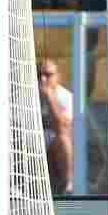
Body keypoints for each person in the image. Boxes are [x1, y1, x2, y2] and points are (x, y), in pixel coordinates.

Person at [38, 57, 73, 196]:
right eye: (39, 74)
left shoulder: (65, 96)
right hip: (34, 138)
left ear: (57, 77)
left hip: (56, 139)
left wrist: (50, 97)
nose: (43, 79)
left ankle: (68, 184)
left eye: (48, 75)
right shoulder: (27, 95)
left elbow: (62, 127)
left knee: (63, 140)